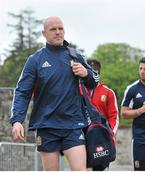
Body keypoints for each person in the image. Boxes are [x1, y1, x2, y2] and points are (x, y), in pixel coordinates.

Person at [10, 16, 99, 171]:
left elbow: (94, 83)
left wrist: (86, 74)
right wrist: (17, 120)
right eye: (53, 29)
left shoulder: (75, 55)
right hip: (47, 126)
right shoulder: (35, 60)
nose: (58, 32)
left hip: (73, 125)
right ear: (44, 33)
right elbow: (22, 92)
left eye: (61, 28)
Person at [85, 59, 119, 171]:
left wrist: (109, 134)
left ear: (99, 73)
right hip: (82, 139)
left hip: (100, 140)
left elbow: (114, 116)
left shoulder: (108, 92)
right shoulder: (77, 91)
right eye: (89, 70)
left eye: (95, 71)